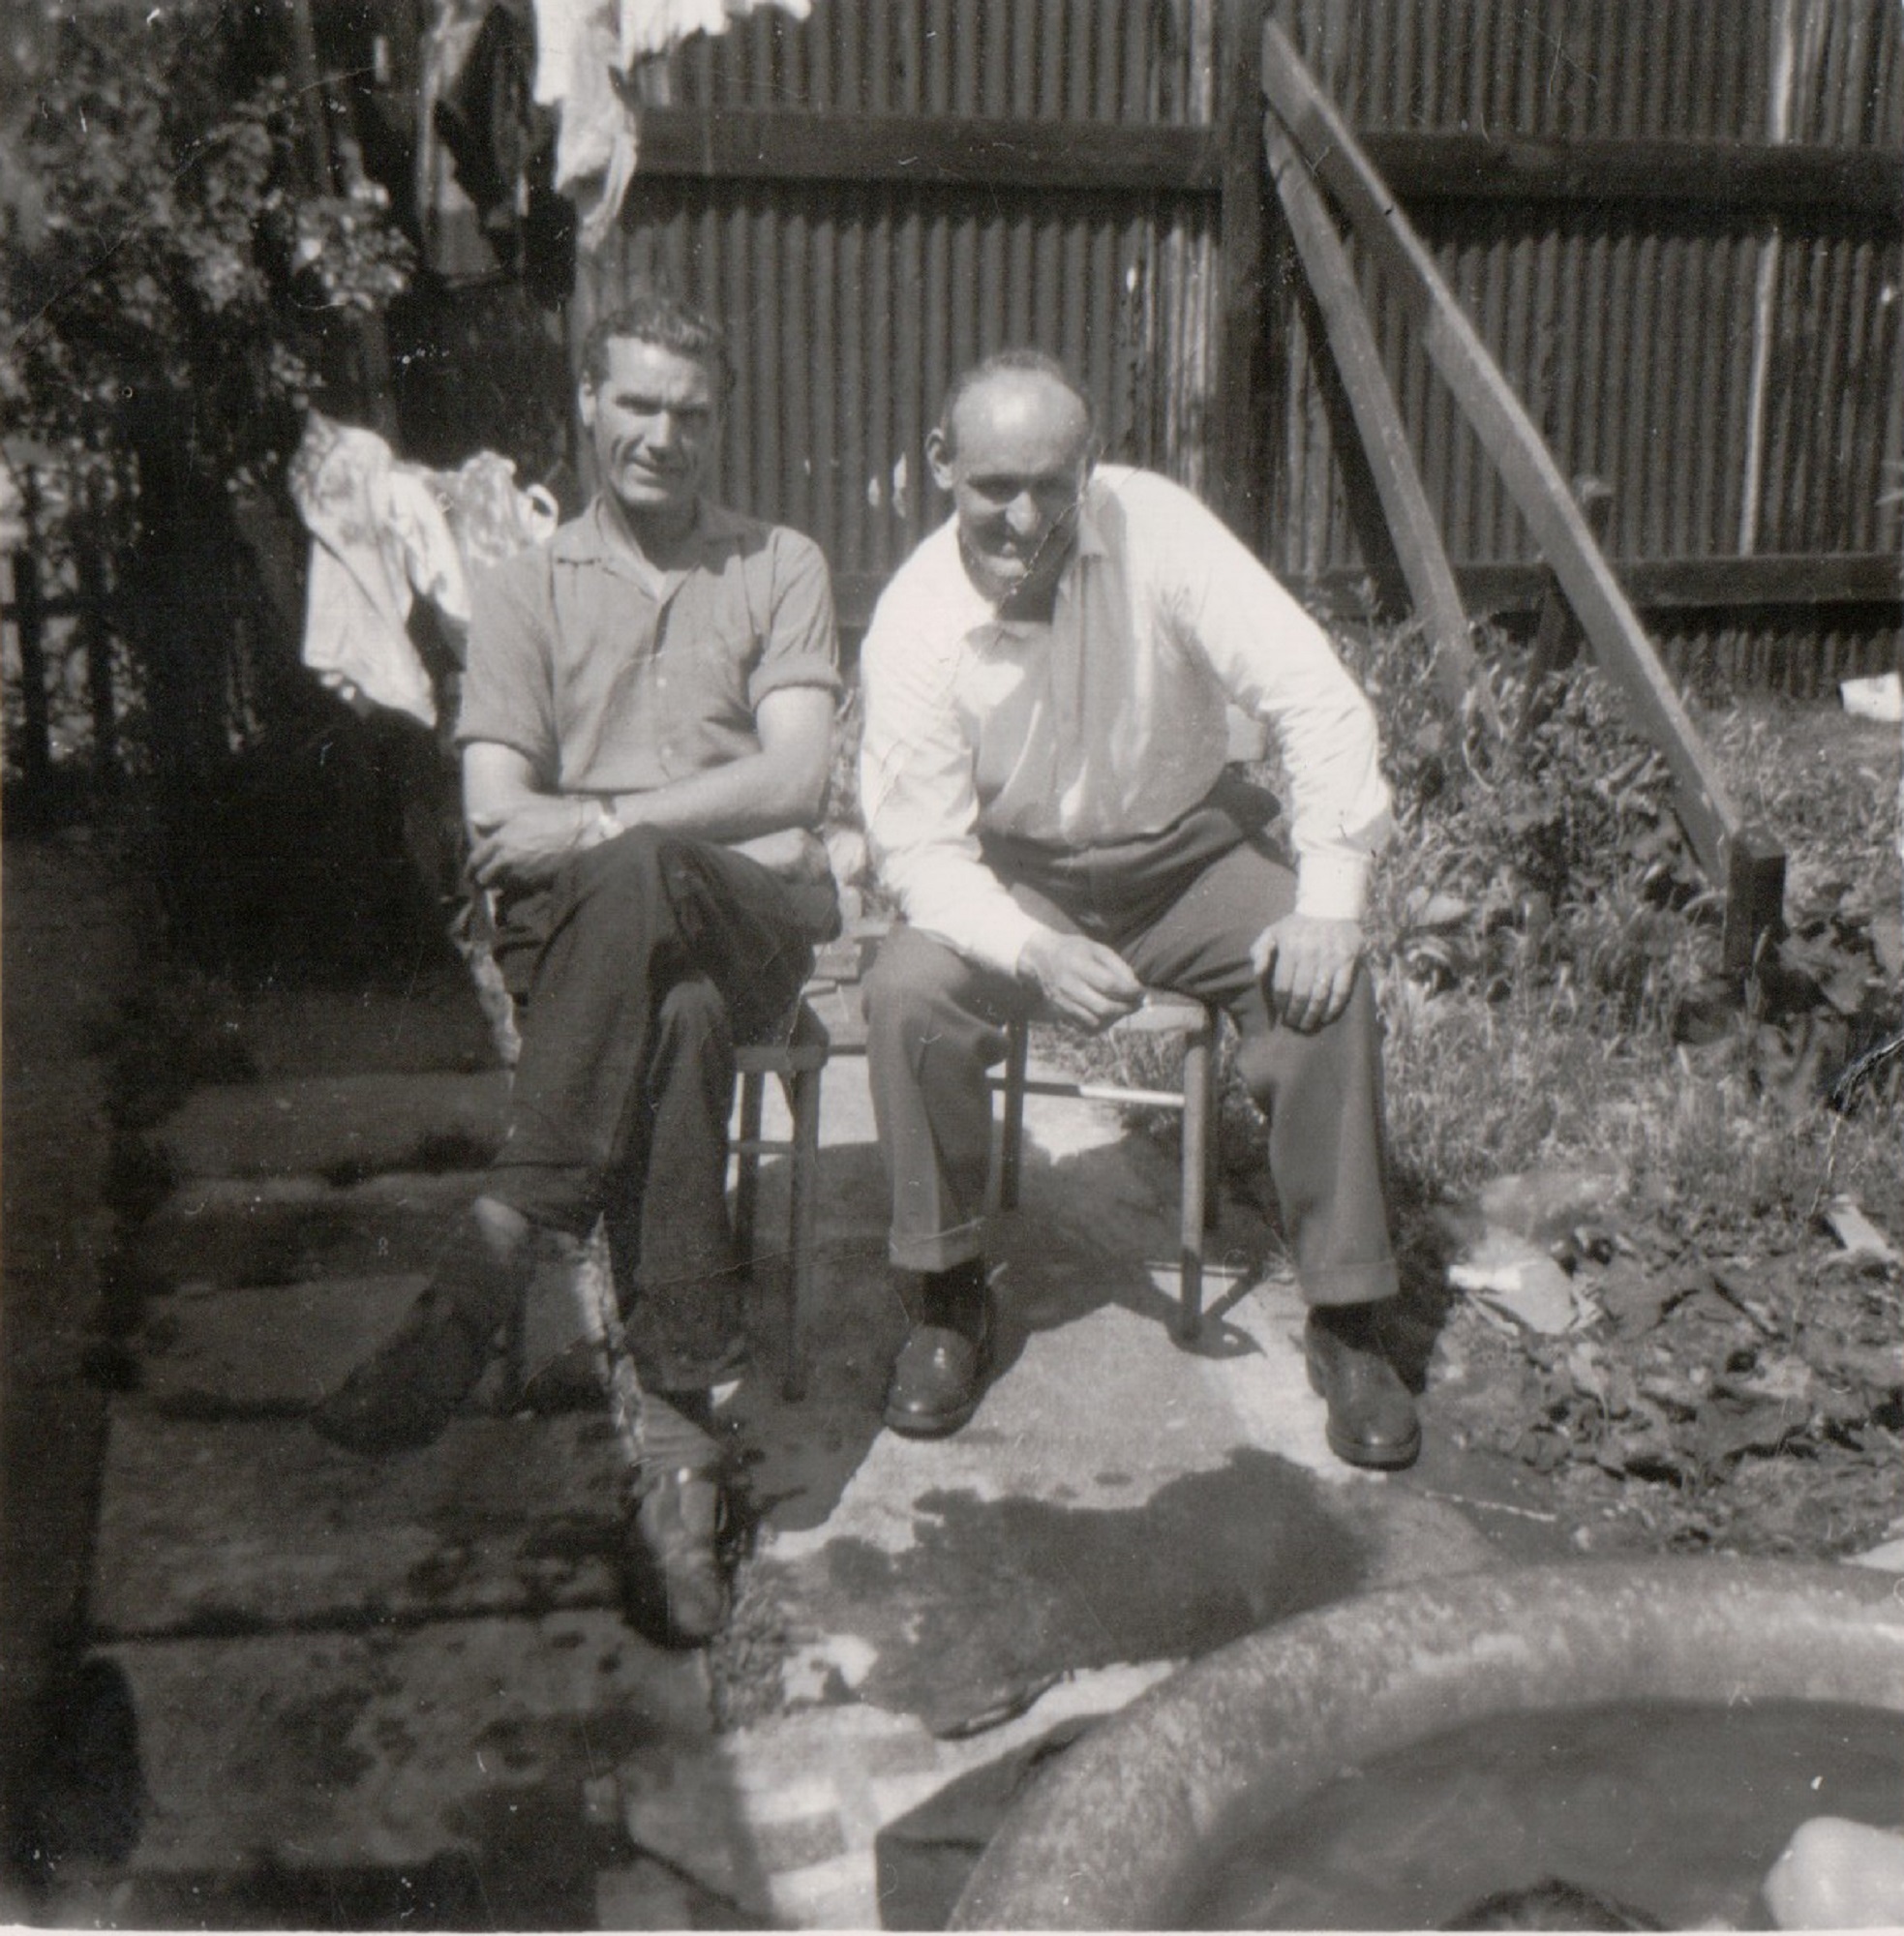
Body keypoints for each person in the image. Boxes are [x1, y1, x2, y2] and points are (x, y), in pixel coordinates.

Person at [312, 288, 842, 1645]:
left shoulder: (779, 563)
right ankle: (679, 1463)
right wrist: (641, 831)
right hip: (605, 947)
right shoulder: (522, 590)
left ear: (718, 424)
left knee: (647, 880)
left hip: (747, 909)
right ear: (587, 409)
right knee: (676, 1015)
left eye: (691, 411)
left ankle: (499, 1248)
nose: (662, 433)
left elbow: (796, 781)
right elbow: (496, 815)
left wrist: (609, 820)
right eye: (637, 404)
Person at [858, 348, 1415, 1467]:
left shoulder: (1159, 528)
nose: (1024, 517)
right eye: (992, 486)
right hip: (1015, 872)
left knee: (1316, 977)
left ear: (1089, 467)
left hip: (1189, 851)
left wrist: (1328, 899)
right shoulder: (912, 620)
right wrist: (1029, 946)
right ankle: (945, 1292)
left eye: (1052, 484)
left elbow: (1315, 698)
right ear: (938, 468)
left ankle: (1347, 1318)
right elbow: (919, 848)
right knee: (909, 991)